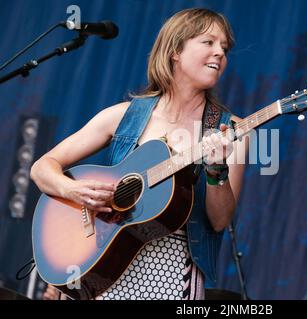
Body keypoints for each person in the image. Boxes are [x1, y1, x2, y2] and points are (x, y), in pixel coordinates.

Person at [30, 8, 247, 300]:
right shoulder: (124, 116)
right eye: (208, 42)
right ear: (175, 51)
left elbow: (220, 221)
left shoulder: (228, 129)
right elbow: (42, 167)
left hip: (173, 275)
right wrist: (74, 190)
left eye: (224, 47)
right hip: (101, 266)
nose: (220, 53)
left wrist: (216, 170)